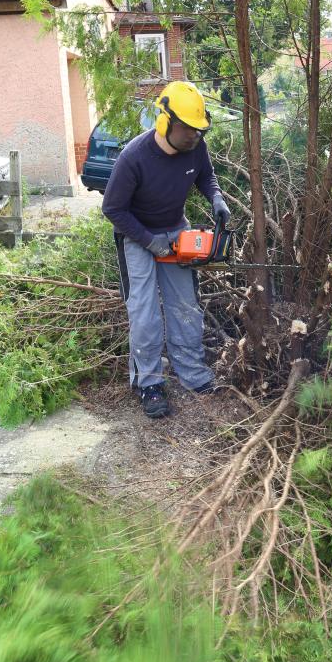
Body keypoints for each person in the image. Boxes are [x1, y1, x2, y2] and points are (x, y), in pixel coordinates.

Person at [102, 81, 231, 418]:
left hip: (176, 231)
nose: (195, 137)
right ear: (165, 122)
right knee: (144, 315)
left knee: (185, 307)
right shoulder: (134, 158)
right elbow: (113, 210)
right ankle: (150, 383)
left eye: (199, 131)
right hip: (136, 236)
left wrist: (216, 197)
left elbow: (206, 177)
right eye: (189, 130)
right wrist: (149, 240)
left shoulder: (196, 148)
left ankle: (192, 373)